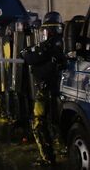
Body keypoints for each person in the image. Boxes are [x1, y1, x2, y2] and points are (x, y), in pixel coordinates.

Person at [20, 11, 66, 166]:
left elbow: (32, 58)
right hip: (58, 92)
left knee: (38, 123)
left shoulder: (51, 45)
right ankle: (61, 150)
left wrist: (27, 53)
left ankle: (47, 157)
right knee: (55, 123)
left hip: (46, 90)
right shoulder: (61, 44)